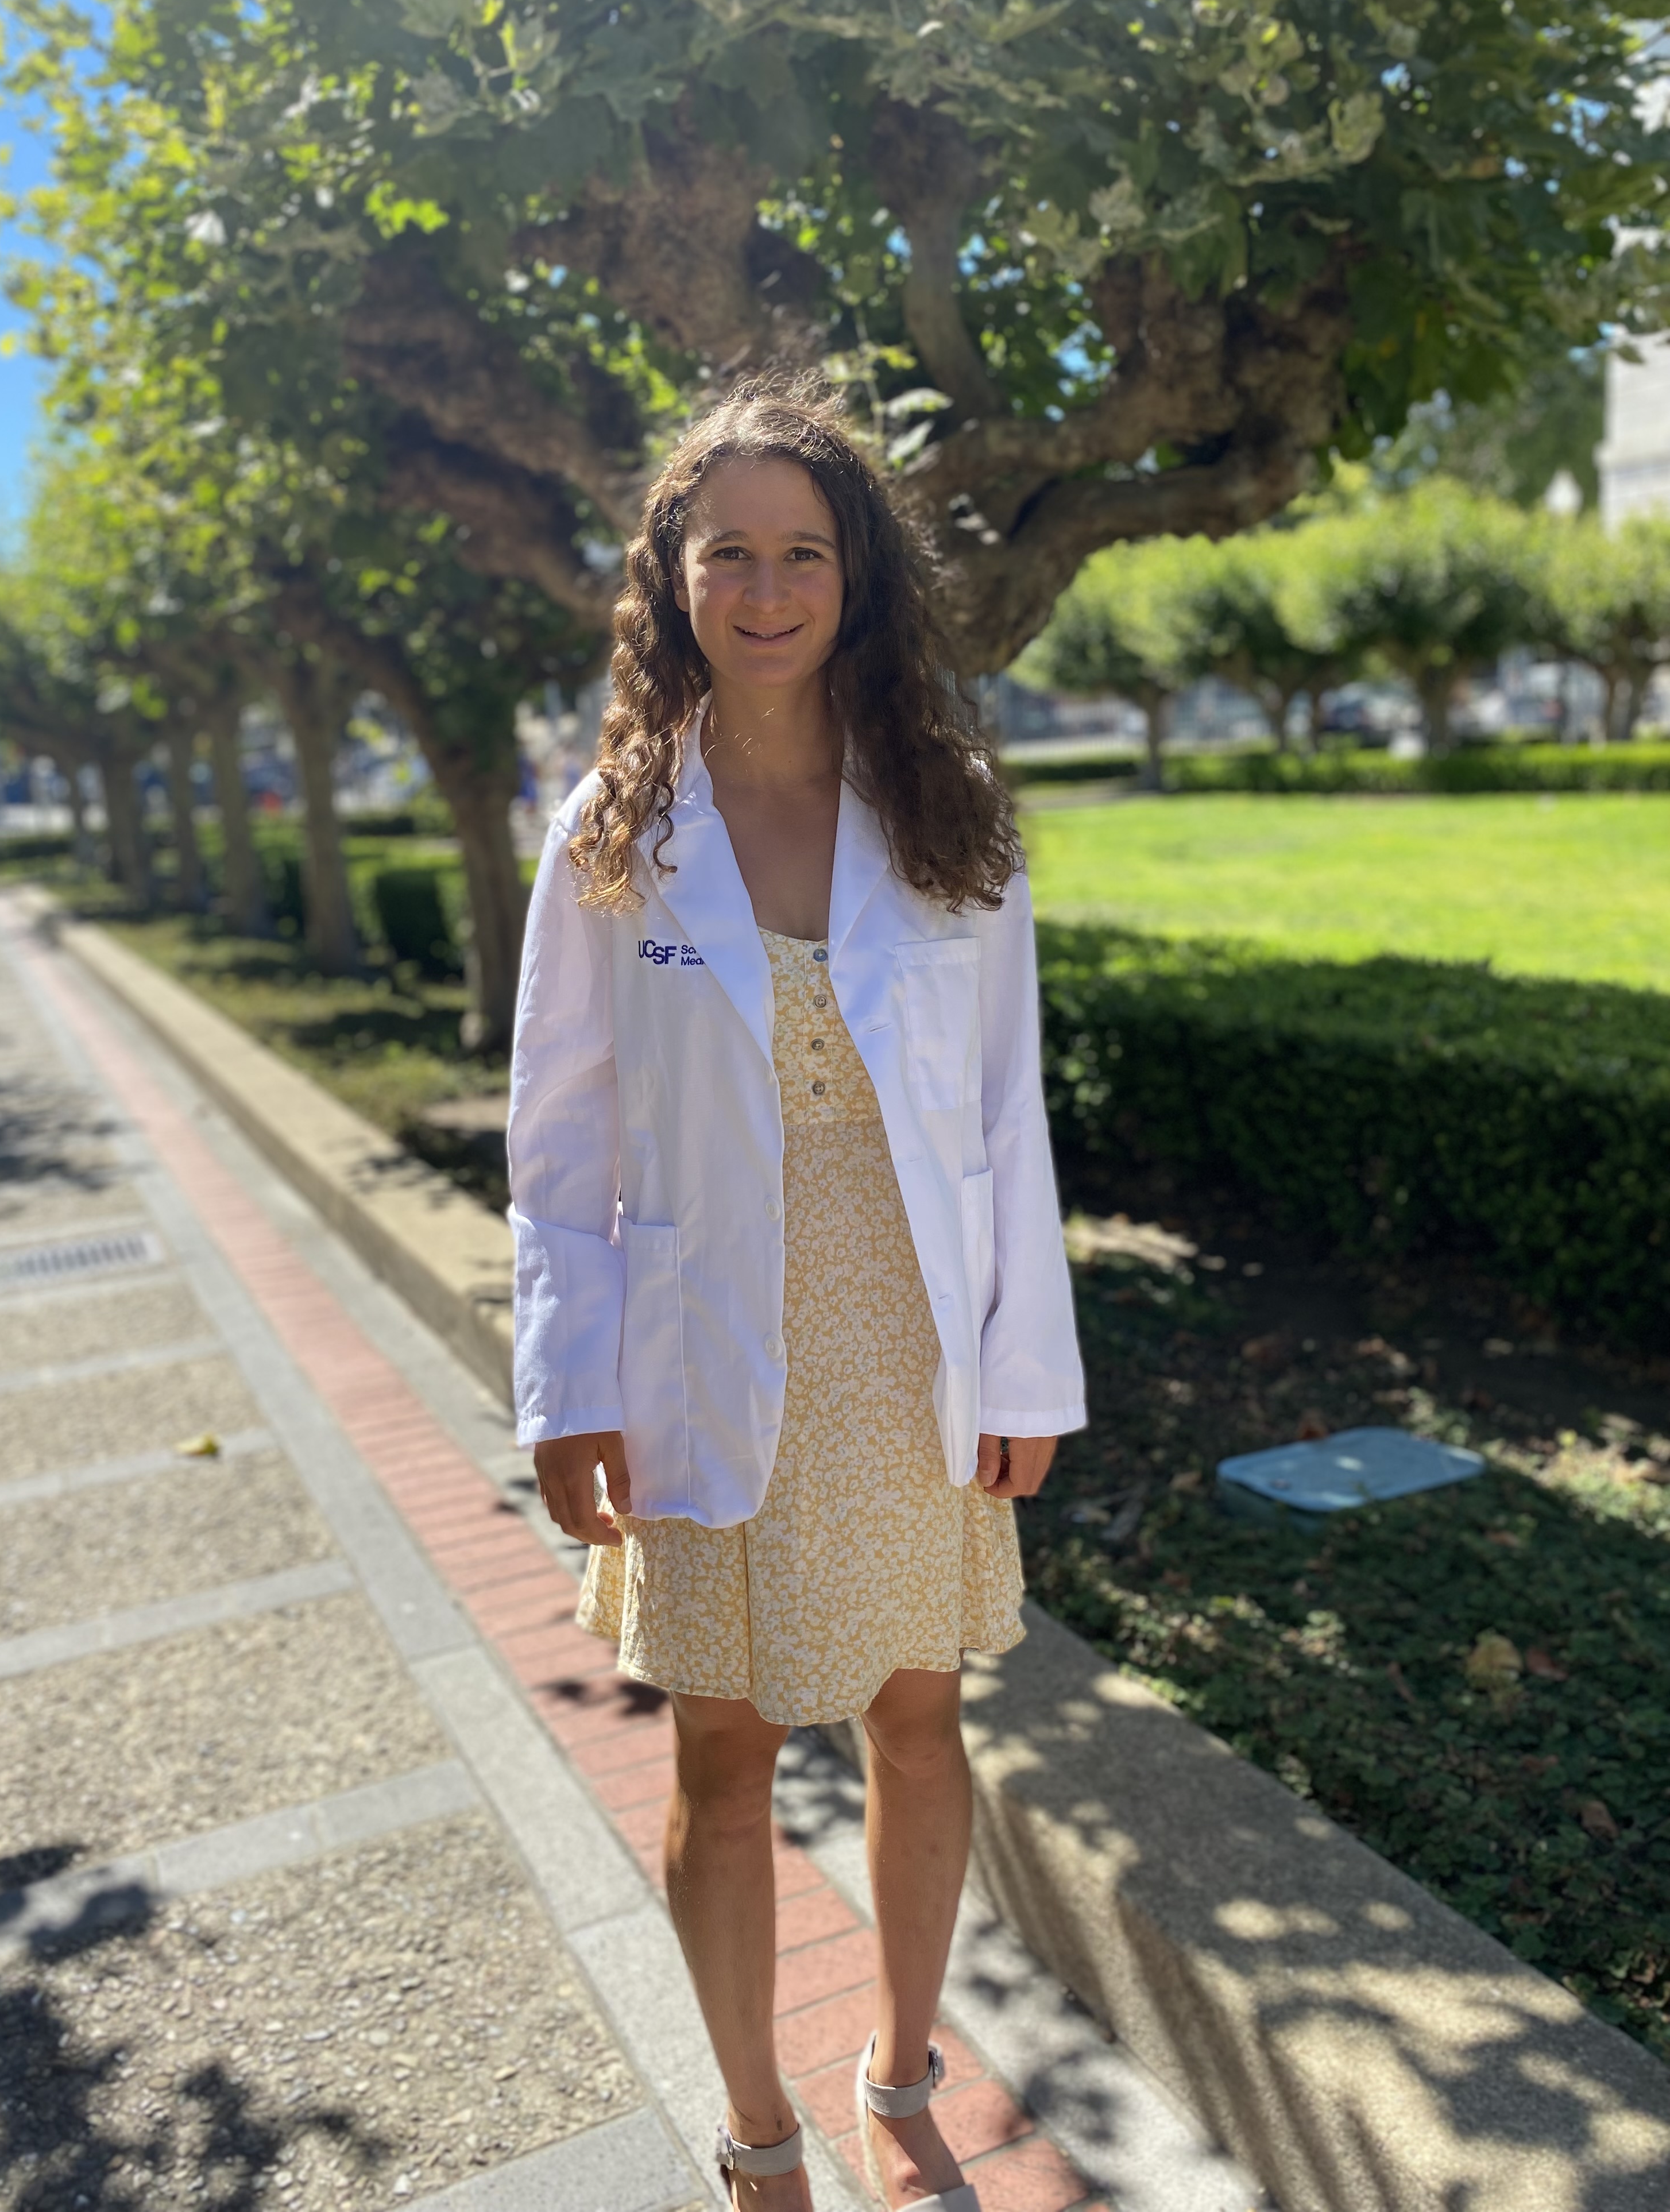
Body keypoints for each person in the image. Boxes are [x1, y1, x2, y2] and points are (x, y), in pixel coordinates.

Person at [507, 375, 1084, 2211]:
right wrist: (563, 1385)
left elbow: (1008, 1117)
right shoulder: (613, 828)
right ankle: (759, 2128)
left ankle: (905, 2065)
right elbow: (555, 1137)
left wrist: (1026, 1371)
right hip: (698, 1340)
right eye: (728, 550)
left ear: (857, 578)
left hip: (912, 1328)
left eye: (803, 552)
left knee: (922, 1718)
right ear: (671, 577)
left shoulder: (950, 816)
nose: (766, 588)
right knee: (724, 1747)